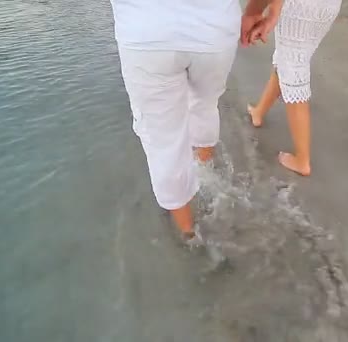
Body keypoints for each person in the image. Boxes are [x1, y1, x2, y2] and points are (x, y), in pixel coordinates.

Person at [109, 0, 281, 244]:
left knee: (164, 140)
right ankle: (205, 168)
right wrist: (257, 11)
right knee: (205, 102)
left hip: (146, 35)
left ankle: (189, 234)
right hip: (215, 31)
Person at [247, 0, 342, 176]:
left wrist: (254, 12)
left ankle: (302, 160)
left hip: (300, 7)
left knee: (293, 68)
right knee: (290, 60)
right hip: (328, 6)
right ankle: (258, 112)